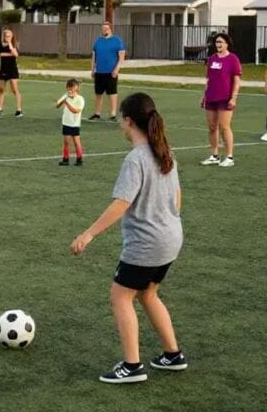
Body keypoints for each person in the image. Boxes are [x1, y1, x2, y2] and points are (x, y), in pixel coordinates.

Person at [71, 92, 186, 384]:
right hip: (171, 238)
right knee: (147, 294)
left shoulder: (135, 159)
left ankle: (132, 366)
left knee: (120, 296)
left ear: (129, 121)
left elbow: (121, 203)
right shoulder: (166, 152)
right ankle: (172, 355)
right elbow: (177, 197)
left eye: (122, 120)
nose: (121, 125)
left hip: (147, 243)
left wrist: (88, 234)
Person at [200, 33, 242, 167]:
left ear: (227, 44)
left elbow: (236, 80)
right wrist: (204, 96)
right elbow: (208, 80)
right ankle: (214, 155)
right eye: (217, 42)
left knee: (224, 127)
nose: (218, 44)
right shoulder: (212, 59)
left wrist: (234, 97)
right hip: (211, 97)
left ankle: (229, 157)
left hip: (225, 98)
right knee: (212, 127)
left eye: (221, 42)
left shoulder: (233, 59)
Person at [89, 22, 126, 121]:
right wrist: (92, 70)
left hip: (111, 72)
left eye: (106, 28)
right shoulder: (98, 41)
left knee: (112, 93)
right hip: (99, 72)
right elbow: (94, 57)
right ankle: (97, 113)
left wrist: (116, 69)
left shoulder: (117, 41)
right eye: (102, 28)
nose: (104, 30)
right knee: (98, 93)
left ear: (110, 29)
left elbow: (121, 57)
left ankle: (113, 114)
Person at [0, 28, 23, 117]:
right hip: (3, 69)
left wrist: (10, 44)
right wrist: (8, 54)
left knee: (14, 89)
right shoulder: (0, 44)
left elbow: (15, 54)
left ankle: (19, 110)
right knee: (1, 89)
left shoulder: (14, 44)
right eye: (6, 36)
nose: (8, 37)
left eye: (10, 36)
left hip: (12, 69)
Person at [55, 79, 85, 166]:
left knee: (76, 142)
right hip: (66, 123)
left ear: (76, 89)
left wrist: (67, 103)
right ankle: (65, 159)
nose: (69, 91)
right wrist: (62, 101)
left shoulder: (80, 99)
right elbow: (57, 105)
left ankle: (79, 159)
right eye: (68, 88)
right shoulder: (66, 96)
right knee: (66, 142)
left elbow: (76, 111)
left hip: (75, 124)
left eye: (71, 89)